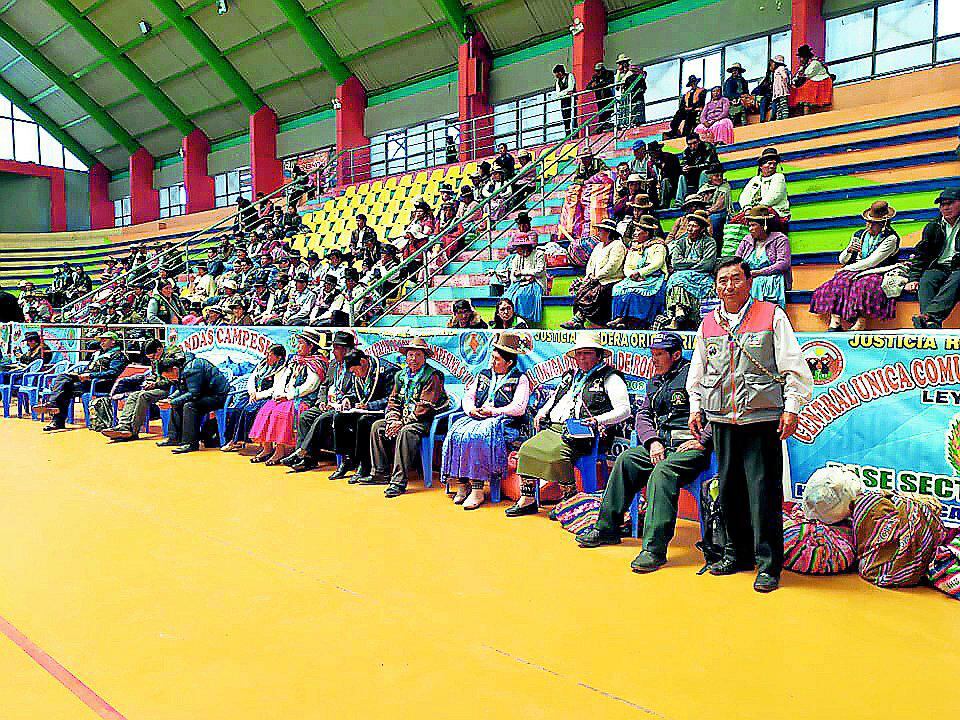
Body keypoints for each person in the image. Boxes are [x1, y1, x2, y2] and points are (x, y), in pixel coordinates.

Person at [687, 257, 813, 592]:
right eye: (723, 280)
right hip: (721, 419)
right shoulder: (709, 323)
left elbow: (793, 366)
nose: (729, 286)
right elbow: (699, 370)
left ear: (749, 282)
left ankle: (769, 564)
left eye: (735, 279)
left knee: (763, 492)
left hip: (763, 417)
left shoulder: (772, 315)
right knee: (729, 490)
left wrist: (792, 408)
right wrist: (696, 406)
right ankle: (737, 554)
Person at [577, 332, 713, 572]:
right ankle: (608, 528)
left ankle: (654, 549)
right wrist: (652, 441)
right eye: (652, 355)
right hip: (661, 445)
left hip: (690, 448)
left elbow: (718, 410)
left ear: (677, 355)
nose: (655, 360)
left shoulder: (696, 377)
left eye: (660, 354)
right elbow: (643, 415)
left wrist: (704, 440)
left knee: (663, 472)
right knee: (626, 459)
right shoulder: (655, 381)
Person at [507, 332, 631, 517]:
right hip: (555, 427)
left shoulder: (610, 378)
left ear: (598, 355)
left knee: (557, 455)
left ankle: (569, 500)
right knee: (525, 449)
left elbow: (625, 410)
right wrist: (542, 412)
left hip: (585, 432)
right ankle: (528, 500)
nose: (582, 357)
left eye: (587, 353)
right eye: (579, 353)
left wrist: (599, 420)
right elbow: (555, 398)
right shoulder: (570, 376)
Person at [441, 332, 532, 511]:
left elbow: (518, 408)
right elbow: (468, 397)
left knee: (478, 436)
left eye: (497, 360)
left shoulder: (521, 379)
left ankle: (477, 489)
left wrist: (493, 412)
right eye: (492, 357)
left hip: (505, 424)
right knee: (456, 433)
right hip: (479, 418)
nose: (491, 362)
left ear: (509, 363)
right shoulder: (483, 375)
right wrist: (471, 409)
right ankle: (462, 482)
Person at [364, 337, 450, 498]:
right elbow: (394, 400)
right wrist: (392, 420)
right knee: (377, 426)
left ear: (424, 357)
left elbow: (425, 407)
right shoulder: (401, 375)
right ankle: (380, 472)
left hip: (426, 421)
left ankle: (398, 482)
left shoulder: (433, 376)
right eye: (410, 355)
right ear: (406, 357)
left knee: (406, 432)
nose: (414, 359)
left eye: (418, 355)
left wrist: (401, 423)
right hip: (403, 419)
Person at [810, 201, 901, 331]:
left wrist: (846, 269)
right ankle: (835, 322)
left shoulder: (891, 238)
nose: (869, 226)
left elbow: (872, 262)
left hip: (878, 270)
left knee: (864, 284)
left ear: (883, 224)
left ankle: (860, 322)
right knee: (840, 281)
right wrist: (849, 251)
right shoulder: (859, 234)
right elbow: (842, 259)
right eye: (868, 222)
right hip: (856, 269)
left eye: (873, 223)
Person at [248, 328, 326, 465]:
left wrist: (288, 396)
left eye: (301, 343)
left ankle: (280, 451)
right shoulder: (295, 361)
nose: (297, 346)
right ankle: (267, 448)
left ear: (311, 346)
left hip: (304, 399)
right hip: (287, 397)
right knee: (268, 407)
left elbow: (310, 386)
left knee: (280, 411)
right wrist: (279, 394)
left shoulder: (316, 363)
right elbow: (285, 380)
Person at [285, 331, 356, 474]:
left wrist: (341, 401)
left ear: (347, 350)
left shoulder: (355, 364)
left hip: (343, 407)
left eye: (336, 348)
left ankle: (301, 452)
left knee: (322, 418)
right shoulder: (334, 364)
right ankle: (306, 460)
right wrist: (322, 401)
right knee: (306, 416)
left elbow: (356, 391)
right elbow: (324, 385)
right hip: (328, 403)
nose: (333, 352)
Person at [42, 331, 127, 431]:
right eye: (101, 340)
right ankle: (54, 410)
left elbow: (113, 373)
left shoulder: (118, 356)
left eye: (104, 340)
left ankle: (55, 414)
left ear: (113, 342)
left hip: (101, 383)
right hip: (87, 381)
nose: (101, 342)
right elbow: (89, 368)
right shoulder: (97, 353)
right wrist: (79, 374)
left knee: (65, 388)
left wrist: (90, 375)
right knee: (63, 378)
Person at [101, 339, 183, 441]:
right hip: (158, 386)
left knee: (143, 396)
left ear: (159, 349)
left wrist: (156, 384)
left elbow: (176, 378)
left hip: (171, 389)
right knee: (133, 396)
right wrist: (149, 382)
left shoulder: (173, 354)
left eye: (153, 357)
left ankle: (133, 431)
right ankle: (123, 426)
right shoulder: (155, 358)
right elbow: (154, 374)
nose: (152, 360)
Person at [905, 187, 960, 329]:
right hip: (940, 267)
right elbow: (921, 255)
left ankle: (929, 318)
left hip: (958, 268)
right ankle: (931, 323)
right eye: (942, 204)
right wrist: (913, 278)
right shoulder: (933, 227)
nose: (946, 208)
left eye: (950, 203)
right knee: (927, 280)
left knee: (958, 278)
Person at [155, 352, 230, 454]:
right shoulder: (182, 368)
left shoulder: (192, 369)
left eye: (169, 377)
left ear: (174, 369)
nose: (169, 379)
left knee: (189, 406)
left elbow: (194, 393)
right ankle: (174, 438)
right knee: (177, 403)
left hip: (218, 396)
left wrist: (172, 403)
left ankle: (190, 443)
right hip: (205, 394)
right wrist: (170, 399)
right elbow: (182, 389)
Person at [561, 218, 627, 329]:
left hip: (611, 280)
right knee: (581, 289)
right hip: (595, 279)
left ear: (609, 232)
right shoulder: (598, 246)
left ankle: (578, 319)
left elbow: (612, 266)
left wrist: (597, 277)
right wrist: (590, 276)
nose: (599, 233)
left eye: (601, 230)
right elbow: (590, 264)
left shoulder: (618, 245)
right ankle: (579, 318)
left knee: (593, 293)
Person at [220, 344, 287, 452]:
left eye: (270, 355)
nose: (267, 357)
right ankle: (232, 440)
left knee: (248, 410)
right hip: (254, 394)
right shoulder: (262, 365)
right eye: (267, 354)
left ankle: (241, 440)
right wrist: (252, 393)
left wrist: (258, 396)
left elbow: (276, 388)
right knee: (238, 408)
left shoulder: (282, 369)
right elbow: (252, 378)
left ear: (278, 357)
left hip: (268, 397)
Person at [609, 215, 668, 329]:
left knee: (634, 293)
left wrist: (640, 273)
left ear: (646, 233)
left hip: (652, 278)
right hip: (634, 277)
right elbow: (627, 265)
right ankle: (619, 318)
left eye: (637, 230)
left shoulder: (658, 246)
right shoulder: (634, 247)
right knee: (618, 288)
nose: (634, 233)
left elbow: (657, 264)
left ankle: (633, 321)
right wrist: (632, 275)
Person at [663, 210, 717, 329]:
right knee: (676, 279)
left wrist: (686, 264)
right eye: (689, 225)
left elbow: (707, 265)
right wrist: (695, 261)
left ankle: (681, 314)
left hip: (702, 275)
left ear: (702, 229)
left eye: (694, 226)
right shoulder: (681, 241)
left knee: (682, 278)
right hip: (682, 274)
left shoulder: (709, 243)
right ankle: (678, 312)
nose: (690, 229)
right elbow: (676, 263)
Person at [736, 205, 792, 308]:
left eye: (753, 225)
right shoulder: (746, 240)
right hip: (750, 277)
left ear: (764, 226)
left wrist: (759, 273)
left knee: (759, 282)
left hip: (772, 277)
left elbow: (783, 263)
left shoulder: (780, 239)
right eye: (749, 226)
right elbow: (736, 261)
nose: (750, 229)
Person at [502, 215, 547, 324]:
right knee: (506, 298)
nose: (518, 250)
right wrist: (523, 278)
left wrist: (523, 273)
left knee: (522, 296)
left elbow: (540, 271)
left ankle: (524, 322)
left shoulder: (539, 254)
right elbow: (513, 275)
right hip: (519, 283)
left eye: (520, 247)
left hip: (536, 284)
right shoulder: (517, 257)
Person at [739, 147, 790, 223]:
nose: (772, 166)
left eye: (774, 164)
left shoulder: (779, 177)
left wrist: (756, 209)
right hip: (753, 210)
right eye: (769, 163)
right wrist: (747, 208)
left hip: (774, 211)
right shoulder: (754, 180)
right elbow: (744, 196)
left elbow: (774, 196)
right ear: (761, 166)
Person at [675, 134, 719, 203]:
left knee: (704, 173)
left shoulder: (708, 147)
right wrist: (684, 168)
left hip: (710, 173)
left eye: (694, 143)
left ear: (699, 141)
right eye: (690, 144)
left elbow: (709, 164)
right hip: (694, 177)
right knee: (681, 176)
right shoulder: (686, 152)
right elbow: (683, 164)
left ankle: (703, 197)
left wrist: (692, 167)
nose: (692, 146)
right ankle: (679, 202)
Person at [792, 44, 833, 114]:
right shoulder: (804, 66)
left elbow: (808, 76)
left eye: (801, 57)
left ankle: (806, 111)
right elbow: (797, 77)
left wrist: (799, 79)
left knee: (806, 88)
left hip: (819, 81)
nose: (800, 59)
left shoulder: (815, 63)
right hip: (810, 81)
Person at [698, 163, 733, 244]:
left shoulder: (725, 187)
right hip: (705, 212)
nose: (719, 178)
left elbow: (720, 204)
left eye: (721, 175)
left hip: (719, 212)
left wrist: (708, 211)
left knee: (713, 219)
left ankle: (712, 245)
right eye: (716, 176)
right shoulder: (704, 188)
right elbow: (699, 202)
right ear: (710, 177)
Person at [666, 75, 706, 139]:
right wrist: (685, 108)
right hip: (686, 110)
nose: (693, 84)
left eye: (694, 82)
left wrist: (692, 108)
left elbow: (701, 102)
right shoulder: (687, 94)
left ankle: (685, 133)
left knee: (690, 115)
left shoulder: (702, 91)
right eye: (692, 83)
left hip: (696, 110)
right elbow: (682, 104)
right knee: (679, 113)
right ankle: (674, 130)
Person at [614, 54, 646, 128]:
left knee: (634, 112)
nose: (620, 65)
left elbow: (625, 81)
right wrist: (618, 72)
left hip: (633, 96)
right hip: (626, 96)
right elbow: (617, 86)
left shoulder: (632, 71)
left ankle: (633, 124)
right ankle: (624, 124)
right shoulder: (622, 73)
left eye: (621, 63)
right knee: (625, 111)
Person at [648, 141, 681, 209]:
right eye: (650, 153)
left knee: (665, 181)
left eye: (652, 153)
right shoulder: (650, 163)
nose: (651, 155)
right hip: (657, 186)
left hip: (673, 184)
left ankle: (664, 205)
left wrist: (662, 167)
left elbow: (675, 174)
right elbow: (650, 176)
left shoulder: (670, 157)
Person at [585, 62, 616, 131]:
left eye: (599, 71)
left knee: (609, 111)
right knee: (601, 113)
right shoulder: (595, 77)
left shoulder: (609, 73)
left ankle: (607, 125)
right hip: (600, 98)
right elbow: (588, 87)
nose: (597, 72)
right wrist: (594, 85)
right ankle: (602, 127)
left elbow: (609, 82)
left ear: (603, 70)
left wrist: (597, 85)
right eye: (596, 71)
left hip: (608, 97)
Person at [722, 62, 750, 127]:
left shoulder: (743, 81)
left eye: (736, 70)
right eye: (733, 70)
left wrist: (746, 95)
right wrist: (740, 96)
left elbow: (746, 91)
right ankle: (743, 122)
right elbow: (728, 94)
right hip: (732, 101)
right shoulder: (729, 81)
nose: (734, 72)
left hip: (743, 99)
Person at [553, 64, 577, 134]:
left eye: (556, 73)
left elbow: (571, 88)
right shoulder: (558, 81)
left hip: (571, 100)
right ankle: (568, 134)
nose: (555, 76)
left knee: (573, 117)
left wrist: (562, 93)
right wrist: (566, 93)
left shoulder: (570, 76)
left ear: (560, 72)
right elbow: (557, 94)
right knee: (565, 119)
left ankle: (575, 134)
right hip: (563, 102)